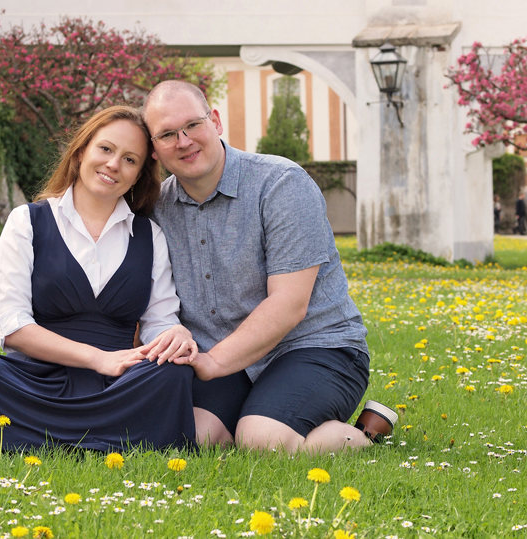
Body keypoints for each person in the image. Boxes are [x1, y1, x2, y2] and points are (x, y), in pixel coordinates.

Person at [0, 106, 198, 452]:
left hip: (116, 384)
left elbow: (158, 322)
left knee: (173, 375)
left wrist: (172, 334)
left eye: (130, 160)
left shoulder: (149, 236)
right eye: (106, 149)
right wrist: (97, 358)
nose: (114, 164)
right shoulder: (27, 221)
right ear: (81, 151)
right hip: (36, 381)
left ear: (140, 174)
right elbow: (13, 326)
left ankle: (37, 436)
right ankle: (110, 437)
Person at [141, 80, 396, 453]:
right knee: (194, 436)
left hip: (314, 346)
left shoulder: (281, 184)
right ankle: (275, 416)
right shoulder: (156, 209)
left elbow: (290, 304)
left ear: (215, 121)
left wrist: (213, 363)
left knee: (261, 439)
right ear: (154, 150)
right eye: (167, 134)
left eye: (192, 125)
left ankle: (369, 436)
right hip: (223, 354)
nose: (183, 141)